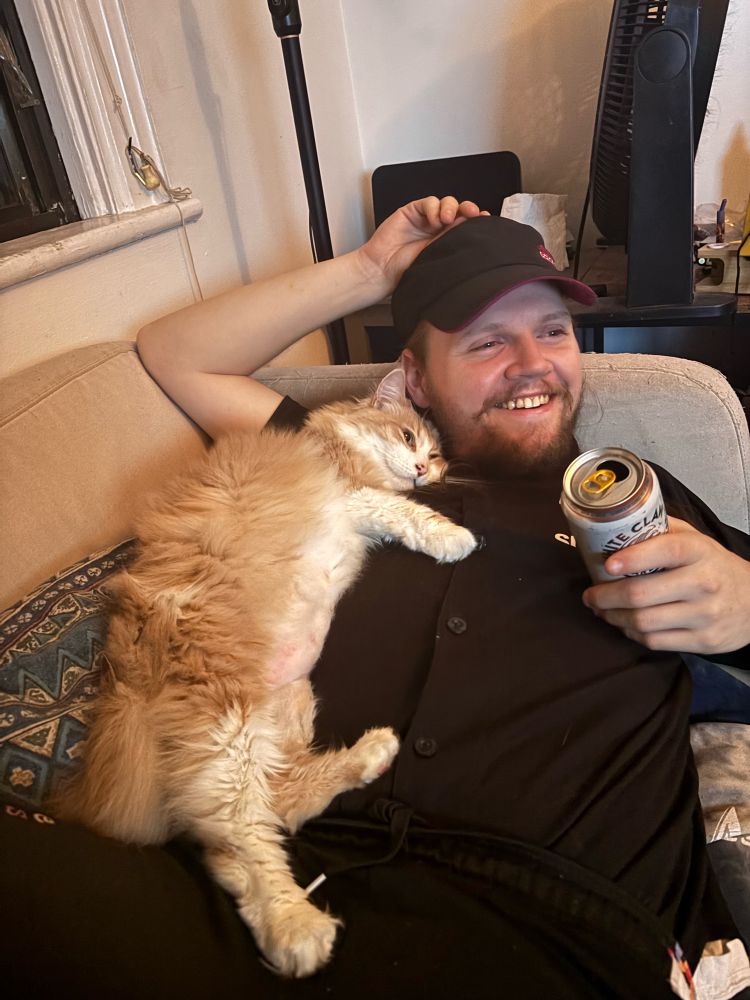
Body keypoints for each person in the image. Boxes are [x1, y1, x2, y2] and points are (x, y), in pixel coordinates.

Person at [3, 198, 749, 1000]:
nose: (534, 361)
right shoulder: (341, 465)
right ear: (417, 380)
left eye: (554, 331)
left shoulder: (634, 493)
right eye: (488, 341)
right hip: (264, 876)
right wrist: (368, 270)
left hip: (547, 923)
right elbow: (174, 355)